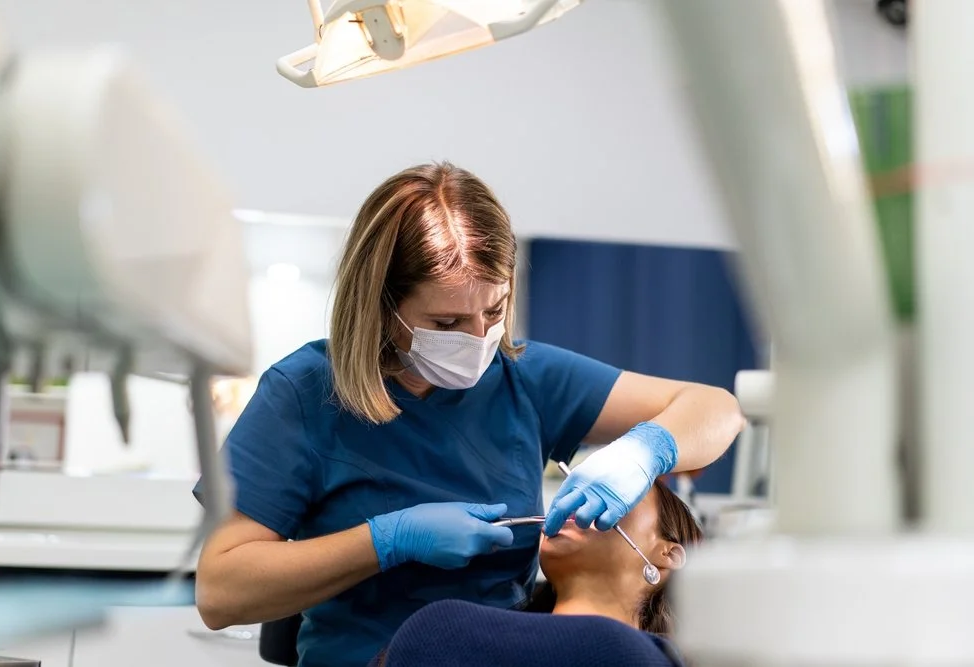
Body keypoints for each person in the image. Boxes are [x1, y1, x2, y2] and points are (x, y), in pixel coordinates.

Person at [193, 162, 745, 667]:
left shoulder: (524, 377)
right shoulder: (304, 393)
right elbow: (220, 594)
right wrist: (387, 540)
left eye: (495, 310)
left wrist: (643, 451)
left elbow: (716, 409)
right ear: (383, 309)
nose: (481, 339)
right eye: (448, 322)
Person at [369, 479, 703, 667]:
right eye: (575, 487)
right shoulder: (441, 633)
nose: (580, 498)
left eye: (614, 488)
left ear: (668, 555)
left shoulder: (440, 631)